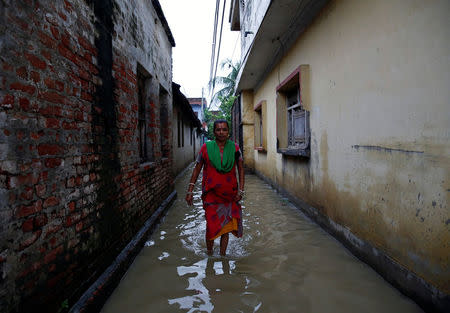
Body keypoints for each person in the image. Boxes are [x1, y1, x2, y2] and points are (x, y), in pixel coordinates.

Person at [185, 119, 245, 256]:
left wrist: (241, 190)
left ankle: (223, 256)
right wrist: (190, 191)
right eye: (218, 129)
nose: (221, 132)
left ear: (228, 132)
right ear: (214, 132)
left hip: (230, 195)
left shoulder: (235, 149)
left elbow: (241, 170)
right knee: (211, 227)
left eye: (224, 129)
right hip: (211, 195)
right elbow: (196, 170)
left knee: (226, 227)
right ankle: (210, 254)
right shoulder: (205, 148)